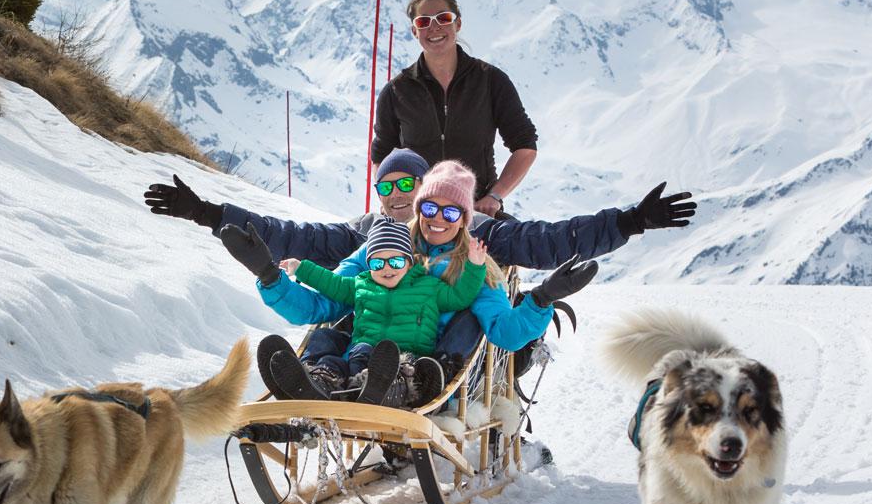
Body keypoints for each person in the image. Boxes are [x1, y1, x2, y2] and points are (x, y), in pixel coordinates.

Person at [143, 148, 695, 393]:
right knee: (338, 318)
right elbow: (296, 239)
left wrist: (629, 222)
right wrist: (211, 215)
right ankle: (322, 378)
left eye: (414, 188)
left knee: (465, 322)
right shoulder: (370, 236)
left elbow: (556, 240)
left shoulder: (480, 237)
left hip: (437, 345)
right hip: (372, 332)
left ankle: (419, 381)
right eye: (389, 188)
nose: (405, 201)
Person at [260, 220, 485, 406]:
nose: (387, 268)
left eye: (396, 261)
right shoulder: (361, 285)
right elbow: (332, 283)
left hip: (407, 358)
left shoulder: (428, 287)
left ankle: (383, 390)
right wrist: (301, 268)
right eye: (378, 263)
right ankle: (319, 383)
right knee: (332, 348)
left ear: (409, 262)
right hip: (361, 357)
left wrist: (475, 266)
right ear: (369, 266)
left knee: (401, 367)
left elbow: (461, 296)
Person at [371, 0, 534, 215]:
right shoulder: (397, 91)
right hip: (418, 218)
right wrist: (391, 199)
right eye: (424, 21)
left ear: (457, 24)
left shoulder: (490, 80)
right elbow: (381, 155)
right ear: (414, 31)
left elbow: (525, 145)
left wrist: (494, 196)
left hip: (475, 212)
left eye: (443, 18)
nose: (434, 27)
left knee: (525, 247)